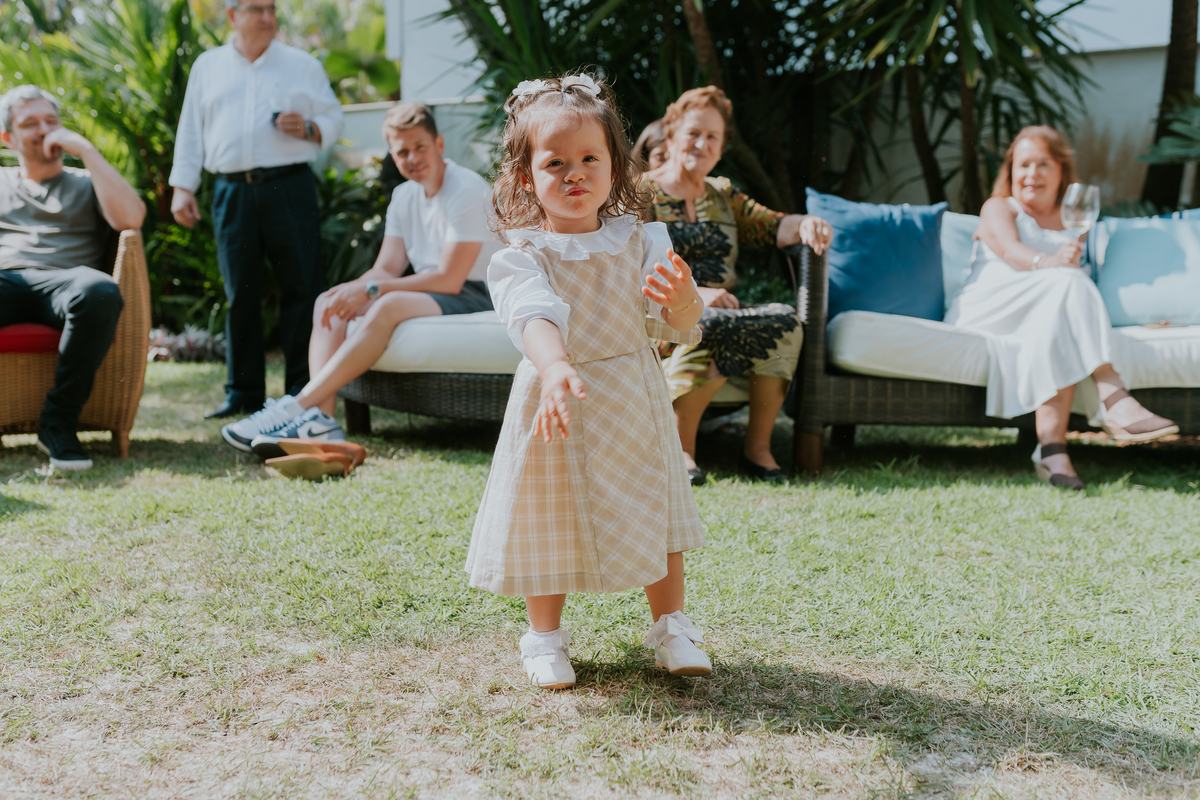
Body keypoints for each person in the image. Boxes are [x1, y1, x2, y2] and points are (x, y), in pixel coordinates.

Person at [467, 74, 710, 690]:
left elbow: (678, 327)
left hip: (633, 393)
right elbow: (533, 313)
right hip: (558, 398)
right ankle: (544, 636)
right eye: (555, 163)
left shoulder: (641, 238)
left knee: (654, 509)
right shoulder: (523, 253)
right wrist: (554, 368)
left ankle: (671, 625)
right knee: (549, 512)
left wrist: (686, 300)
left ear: (614, 166)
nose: (575, 173)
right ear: (526, 177)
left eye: (589, 159)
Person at [218, 102, 501, 454]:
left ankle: (297, 404)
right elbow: (386, 269)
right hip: (439, 288)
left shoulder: (465, 189)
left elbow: (449, 279)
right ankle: (321, 422)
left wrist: (372, 290)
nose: (412, 158)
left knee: (389, 302)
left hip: (478, 291)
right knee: (328, 301)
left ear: (439, 144)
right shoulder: (404, 195)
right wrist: (352, 291)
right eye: (402, 152)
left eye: (420, 147)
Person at [946, 126, 1177, 490]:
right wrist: (1051, 262)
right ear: (1010, 171)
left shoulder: (1074, 221)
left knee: (1061, 319)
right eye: (1023, 165)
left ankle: (1052, 452)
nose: (1031, 174)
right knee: (1067, 283)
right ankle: (1112, 393)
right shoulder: (998, 207)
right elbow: (1010, 251)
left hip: (1042, 314)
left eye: (1042, 165)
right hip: (988, 309)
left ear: (1061, 172)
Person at [642, 86, 832, 484]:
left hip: (725, 314)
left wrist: (805, 223)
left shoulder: (723, 194)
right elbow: (625, 262)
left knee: (785, 321)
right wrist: (695, 294)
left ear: (721, 147)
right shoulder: (642, 194)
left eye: (712, 137)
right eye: (694, 132)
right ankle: (682, 449)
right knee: (703, 320)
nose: (701, 143)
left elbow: (773, 225)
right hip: (664, 317)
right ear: (672, 135)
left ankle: (758, 448)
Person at [169, 0, 344, 419]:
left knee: (302, 288)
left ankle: (303, 389)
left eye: (271, 9)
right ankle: (242, 392)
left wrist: (308, 128)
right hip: (231, 191)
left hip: (290, 186)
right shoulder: (207, 67)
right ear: (232, 16)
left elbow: (334, 117)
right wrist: (182, 187)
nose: (266, 17)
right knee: (240, 293)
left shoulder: (303, 64)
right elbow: (191, 129)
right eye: (255, 9)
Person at [0, 86, 147, 471]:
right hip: (6, 278)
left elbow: (132, 219)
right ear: (7, 137)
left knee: (99, 290)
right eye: (29, 123)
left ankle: (58, 423)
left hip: (69, 283)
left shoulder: (88, 180)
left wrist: (88, 152)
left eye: (51, 120)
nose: (44, 130)